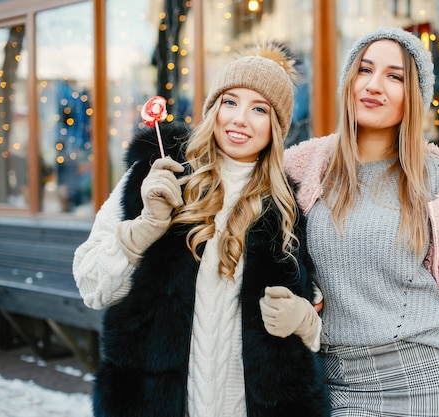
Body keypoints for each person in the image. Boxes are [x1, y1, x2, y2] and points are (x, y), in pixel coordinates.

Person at [284, 27, 439, 417]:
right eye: (364, 70)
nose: (373, 85)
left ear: (414, 96)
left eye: (395, 76)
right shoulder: (308, 165)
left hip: (432, 378)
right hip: (337, 381)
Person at [72, 42, 329, 417]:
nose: (240, 119)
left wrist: (305, 320)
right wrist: (145, 227)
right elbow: (92, 285)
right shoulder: (158, 175)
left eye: (259, 109)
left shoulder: (288, 208)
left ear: (276, 127)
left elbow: (317, 315)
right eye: (230, 102)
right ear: (212, 108)